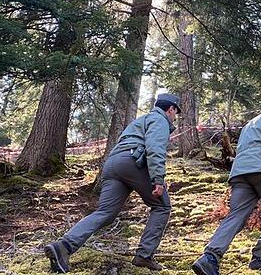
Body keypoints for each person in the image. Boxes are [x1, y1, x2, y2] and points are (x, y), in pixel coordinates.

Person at [44, 93, 181, 273]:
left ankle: (64, 246)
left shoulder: (141, 120)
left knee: (105, 212)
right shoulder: (160, 120)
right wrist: (158, 179)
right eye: (176, 113)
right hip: (133, 162)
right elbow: (154, 148)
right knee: (162, 206)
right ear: (170, 108)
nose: (175, 117)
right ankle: (144, 256)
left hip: (112, 164)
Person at [192, 95, 261, 275]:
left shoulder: (250, 123)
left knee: (236, 215)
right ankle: (260, 258)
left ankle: (209, 258)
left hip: (240, 173)